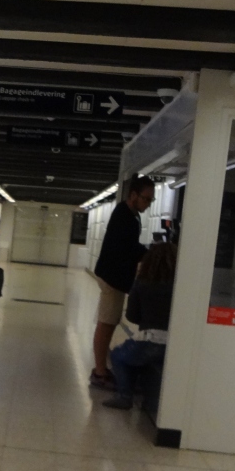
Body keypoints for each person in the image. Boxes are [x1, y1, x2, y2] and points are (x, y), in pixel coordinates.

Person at [90, 175, 155, 390]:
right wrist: (149, 253)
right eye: (146, 199)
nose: (148, 204)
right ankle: (99, 372)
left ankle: (101, 368)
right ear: (134, 195)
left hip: (116, 278)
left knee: (109, 322)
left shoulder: (130, 215)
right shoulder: (123, 215)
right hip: (112, 278)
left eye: (151, 200)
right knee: (106, 323)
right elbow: (127, 248)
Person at [104, 242, 177, 410]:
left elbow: (132, 316)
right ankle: (151, 401)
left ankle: (124, 396)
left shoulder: (142, 283)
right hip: (175, 344)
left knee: (118, 355)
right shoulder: (181, 287)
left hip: (149, 342)